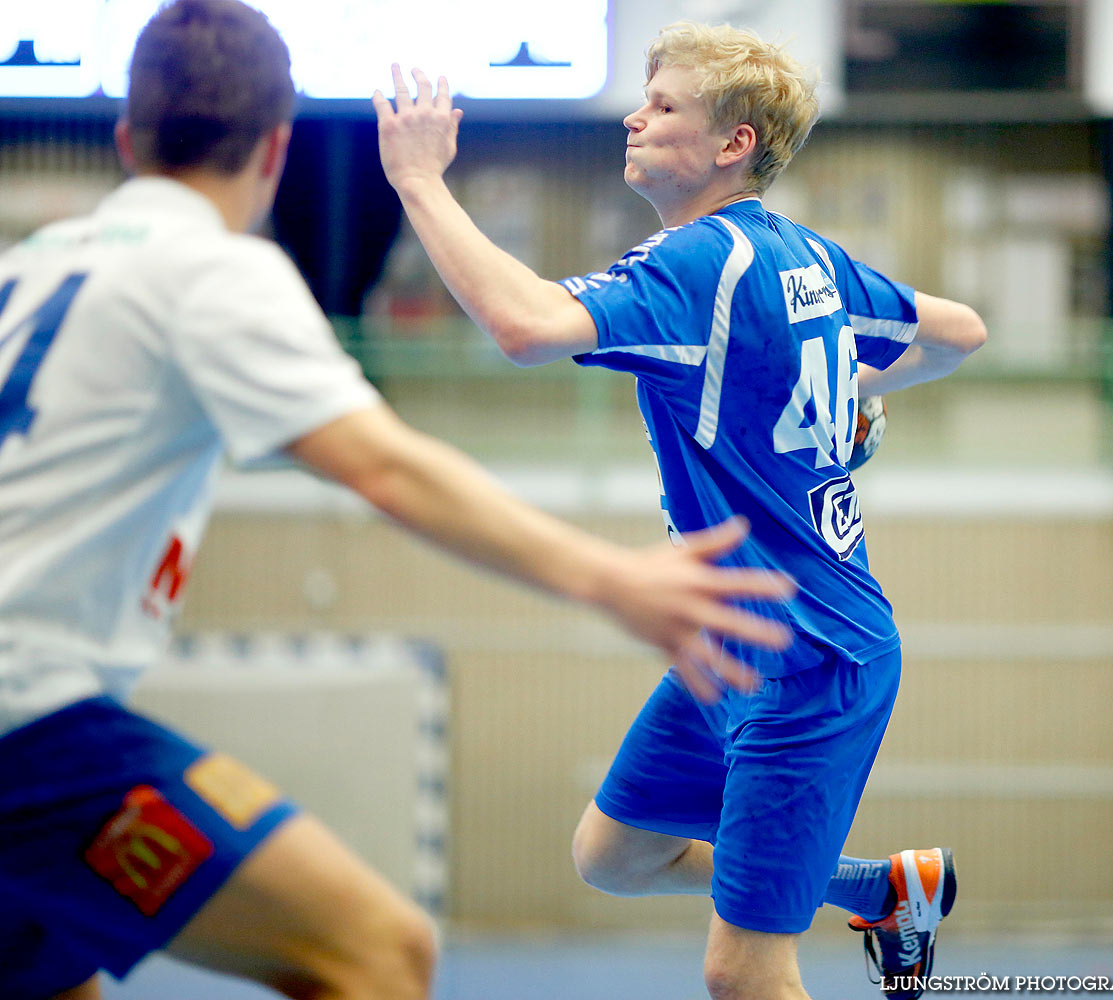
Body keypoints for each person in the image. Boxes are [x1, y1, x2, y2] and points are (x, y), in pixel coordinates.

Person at [0, 5, 800, 1000]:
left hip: (34, 732)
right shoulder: (209, 272)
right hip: (28, 725)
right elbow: (387, 467)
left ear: (127, 139)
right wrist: (613, 577)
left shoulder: (29, 266)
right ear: (276, 145)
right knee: (382, 951)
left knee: (53, 978)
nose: (639, 117)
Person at [371, 19, 986, 1000]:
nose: (634, 115)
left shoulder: (699, 264)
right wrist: (859, 401)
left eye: (663, 106)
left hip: (810, 655)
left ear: (733, 142)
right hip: (732, 634)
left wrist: (418, 182)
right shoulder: (801, 255)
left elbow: (526, 326)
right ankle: (878, 889)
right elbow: (960, 331)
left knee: (743, 972)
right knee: (612, 854)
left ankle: (840, 901)